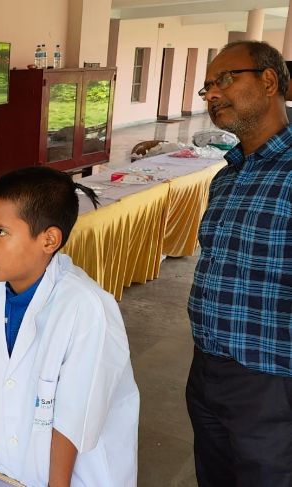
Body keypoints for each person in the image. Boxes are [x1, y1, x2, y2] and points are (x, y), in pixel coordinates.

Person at [0, 166, 140, 487]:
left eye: (0, 232)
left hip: (73, 474)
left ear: (49, 240)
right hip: (9, 461)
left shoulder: (87, 308)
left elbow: (74, 419)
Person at [188, 40, 292, 486]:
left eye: (225, 79)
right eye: (208, 86)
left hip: (272, 382)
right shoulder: (227, 177)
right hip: (207, 371)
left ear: (269, 81)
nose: (212, 93)